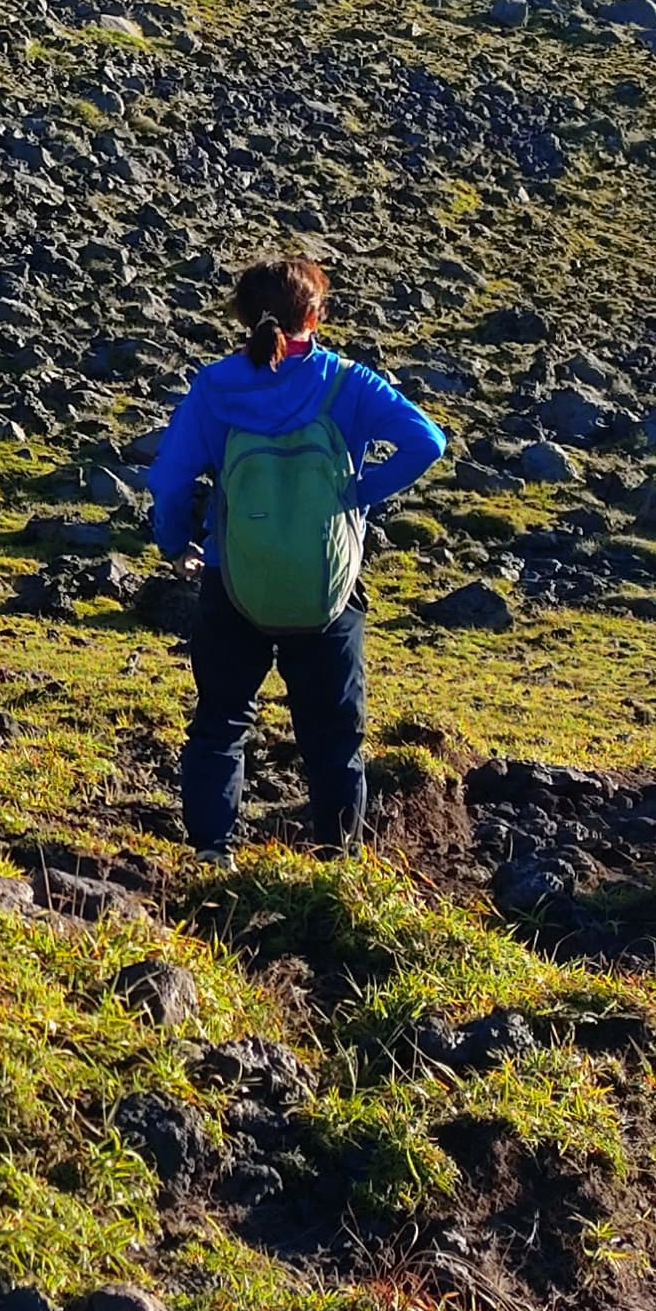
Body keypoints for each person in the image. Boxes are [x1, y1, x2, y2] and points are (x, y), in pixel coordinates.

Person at [145, 257, 447, 866]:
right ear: (315, 315)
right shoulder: (347, 383)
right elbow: (428, 441)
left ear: (240, 315)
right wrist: (356, 496)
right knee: (334, 738)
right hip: (328, 590)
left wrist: (177, 545)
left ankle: (212, 852)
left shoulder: (215, 388)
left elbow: (170, 481)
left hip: (233, 582)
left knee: (222, 722)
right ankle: (336, 863)